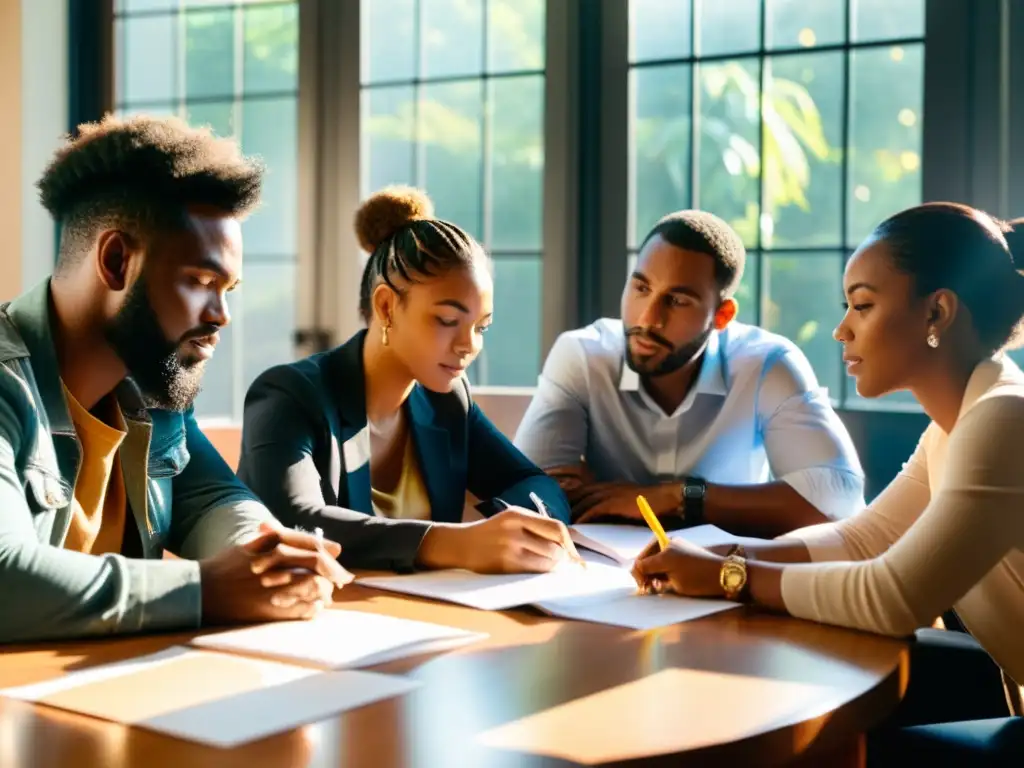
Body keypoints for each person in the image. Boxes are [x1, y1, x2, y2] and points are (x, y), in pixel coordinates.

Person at [632, 203, 1024, 765]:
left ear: (937, 312)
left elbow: (891, 597)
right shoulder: (957, 425)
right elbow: (863, 539)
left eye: (863, 305)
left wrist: (727, 574)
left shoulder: (1001, 419)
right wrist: (731, 549)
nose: (842, 328)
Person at [0, 115, 351, 645]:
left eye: (228, 288)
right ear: (117, 261)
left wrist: (268, 554)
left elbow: (212, 497)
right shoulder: (9, 387)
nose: (221, 314)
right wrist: (207, 588)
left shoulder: (152, 385)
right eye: (202, 282)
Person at [238, 186, 580, 574]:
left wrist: (509, 525)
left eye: (481, 327)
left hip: (423, 614)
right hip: (310, 620)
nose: (468, 345)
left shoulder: (448, 400)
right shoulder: (289, 395)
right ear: (386, 306)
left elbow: (534, 482)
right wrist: (454, 543)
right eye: (448, 321)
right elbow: (294, 522)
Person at [514, 210, 864, 537]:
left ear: (722, 316)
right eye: (641, 288)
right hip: (600, 577)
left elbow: (839, 501)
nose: (647, 319)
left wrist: (679, 497)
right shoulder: (583, 355)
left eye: (677, 301)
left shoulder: (766, 364)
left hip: (727, 576)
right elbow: (531, 496)